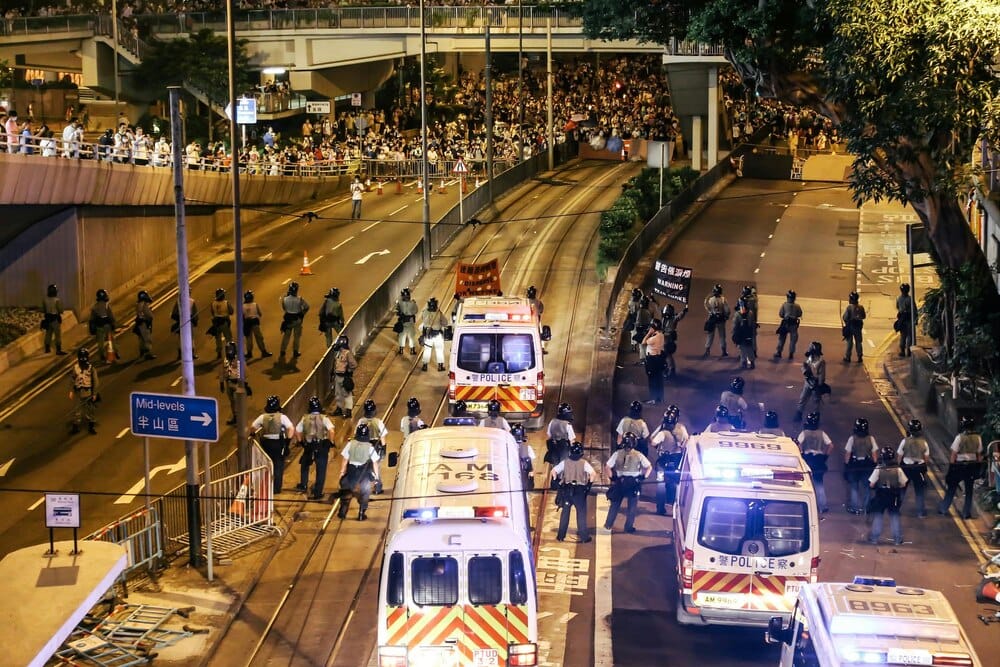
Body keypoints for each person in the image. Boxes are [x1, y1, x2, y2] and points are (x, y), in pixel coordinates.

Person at [603, 433, 651, 534]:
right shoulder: (639, 455)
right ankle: (628, 527)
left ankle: (608, 524)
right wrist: (643, 477)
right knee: (632, 507)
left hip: (620, 482)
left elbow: (607, 466)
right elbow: (649, 467)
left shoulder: (617, 453)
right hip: (634, 483)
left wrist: (613, 477)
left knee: (615, 505)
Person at [937, 416, 983, 520]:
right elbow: (979, 454)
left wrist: (951, 467)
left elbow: (954, 454)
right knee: (969, 490)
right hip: (971, 466)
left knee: (952, 488)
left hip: (958, 466)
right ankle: (966, 513)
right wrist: (978, 467)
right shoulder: (978, 437)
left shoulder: (959, 437)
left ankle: (943, 508)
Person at [551, 442, 596, 542]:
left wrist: (556, 480)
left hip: (567, 490)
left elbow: (554, 471)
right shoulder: (584, 463)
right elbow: (593, 473)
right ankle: (584, 537)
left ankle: (561, 536)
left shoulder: (565, 462)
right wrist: (589, 484)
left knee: (565, 513)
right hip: (579, 491)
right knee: (581, 514)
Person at [251, 395, 296, 494]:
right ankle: (276, 489)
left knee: (266, 465)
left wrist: (253, 434)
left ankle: (265, 487)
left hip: (266, 444)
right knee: (278, 466)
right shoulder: (282, 417)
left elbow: (253, 426)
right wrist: (287, 441)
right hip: (278, 444)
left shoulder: (262, 417)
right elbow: (291, 428)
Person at [295, 396, 335, 500]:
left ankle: (303, 484)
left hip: (309, 446)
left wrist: (300, 442)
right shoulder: (324, 418)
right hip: (321, 446)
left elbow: (297, 431)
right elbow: (331, 431)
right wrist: (330, 442)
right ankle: (318, 492)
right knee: (321, 469)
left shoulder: (304, 418)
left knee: (304, 464)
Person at [338, 422, 381, 521]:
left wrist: (342, 473)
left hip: (351, 471)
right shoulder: (370, 448)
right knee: (365, 493)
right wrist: (377, 477)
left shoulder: (350, 445)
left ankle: (342, 512)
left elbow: (345, 460)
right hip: (364, 473)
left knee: (345, 491)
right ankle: (361, 513)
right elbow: (375, 463)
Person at [651, 406, 687, 514]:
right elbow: (687, 440)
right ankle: (674, 507)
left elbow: (653, 442)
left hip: (663, 461)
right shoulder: (681, 428)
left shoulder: (663, 432)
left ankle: (660, 508)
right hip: (676, 460)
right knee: (675, 484)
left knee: (661, 484)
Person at [868, 447, 908, 545]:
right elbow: (903, 483)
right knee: (894, 516)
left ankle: (874, 538)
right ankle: (897, 539)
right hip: (893, 495)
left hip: (881, 494)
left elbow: (871, 484)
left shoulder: (879, 468)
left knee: (878, 516)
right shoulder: (898, 469)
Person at [797, 412, 833, 513]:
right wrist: (825, 456)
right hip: (819, 459)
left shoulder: (804, 433)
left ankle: (806, 504)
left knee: (806, 481)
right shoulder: (822, 433)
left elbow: (798, 443)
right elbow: (831, 445)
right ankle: (823, 506)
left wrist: (801, 453)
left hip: (808, 459)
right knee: (819, 483)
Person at [844, 417, 878, 515]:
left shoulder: (852, 439)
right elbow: (874, 453)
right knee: (867, 487)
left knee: (854, 487)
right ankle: (866, 508)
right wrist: (875, 464)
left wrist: (846, 465)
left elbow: (848, 453)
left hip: (854, 465)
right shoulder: (871, 439)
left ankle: (855, 508)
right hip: (867, 465)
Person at [897, 419, 930, 518]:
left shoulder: (904, 441)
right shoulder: (924, 443)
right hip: (919, 468)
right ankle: (920, 512)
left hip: (906, 468)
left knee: (902, 489)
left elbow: (899, 455)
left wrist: (899, 467)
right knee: (919, 491)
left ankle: (896, 509)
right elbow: (926, 458)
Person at [68, 348, 99, 435]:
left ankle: (91, 427)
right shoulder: (75, 368)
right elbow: (72, 379)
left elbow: (95, 381)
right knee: (77, 411)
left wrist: (94, 393)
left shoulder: (91, 368)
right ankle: (75, 427)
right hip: (78, 392)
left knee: (90, 410)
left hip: (88, 392)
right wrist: (71, 391)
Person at [794, 341, 827, 421]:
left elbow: (821, 375)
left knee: (816, 401)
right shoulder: (810, 358)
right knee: (803, 398)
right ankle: (798, 415)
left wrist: (819, 385)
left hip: (815, 383)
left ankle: (815, 417)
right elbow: (804, 367)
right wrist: (805, 371)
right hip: (808, 381)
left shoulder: (821, 361)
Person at [279, 281, 309, 363]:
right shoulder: (299, 299)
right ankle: (295, 351)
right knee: (296, 337)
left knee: (286, 336)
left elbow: (284, 308)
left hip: (288, 320)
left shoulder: (284, 299)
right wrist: (302, 313)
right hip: (297, 320)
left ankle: (282, 351)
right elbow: (307, 307)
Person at [330, 334, 358, 417]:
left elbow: (354, 364)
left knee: (347, 394)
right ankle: (339, 409)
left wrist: (348, 371)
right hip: (337, 376)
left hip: (344, 377)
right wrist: (332, 373)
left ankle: (348, 411)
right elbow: (335, 363)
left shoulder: (347, 353)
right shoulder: (338, 352)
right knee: (338, 393)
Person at [89, 288, 119, 362]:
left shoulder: (94, 307)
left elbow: (92, 319)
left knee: (100, 342)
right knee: (111, 340)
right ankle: (116, 353)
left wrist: (92, 328)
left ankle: (102, 356)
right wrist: (114, 324)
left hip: (99, 327)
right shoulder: (106, 305)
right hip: (107, 325)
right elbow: (111, 316)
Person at [419, 297, 449, 372]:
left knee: (427, 350)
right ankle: (440, 366)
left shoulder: (424, 312)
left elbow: (423, 320)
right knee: (439, 350)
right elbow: (445, 323)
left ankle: (425, 365)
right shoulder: (438, 313)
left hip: (428, 335)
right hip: (437, 335)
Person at [242, 290, 272, 359]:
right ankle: (263, 351)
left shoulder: (242, 306)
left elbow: (242, 316)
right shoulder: (255, 304)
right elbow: (260, 314)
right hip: (254, 323)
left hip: (247, 323)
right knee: (259, 338)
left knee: (248, 339)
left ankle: (249, 353)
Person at [641, 319, 666, 404]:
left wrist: (649, 333)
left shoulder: (654, 338)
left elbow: (643, 342)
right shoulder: (661, 335)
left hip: (652, 360)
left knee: (652, 380)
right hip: (659, 359)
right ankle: (659, 398)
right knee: (659, 380)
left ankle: (653, 399)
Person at [703, 283, 730, 358]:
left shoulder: (711, 299)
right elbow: (727, 310)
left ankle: (707, 350)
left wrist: (711, 312)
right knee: (722, 336)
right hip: (721, 319)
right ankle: (724, 351)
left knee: (710, 335)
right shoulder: (723, 299)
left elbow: (706, 306)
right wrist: (726, 316)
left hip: (712, 318)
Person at [660, 303, 687, 378]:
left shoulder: (673, 319)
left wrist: (684, 311)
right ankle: (667, 369)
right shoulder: (663, 319)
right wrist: (654, 300)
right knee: (663, 355)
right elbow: (658, 309)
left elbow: (679, 316)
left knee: (667, 354)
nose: (667, 314)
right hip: (663, 339)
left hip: (669, 340)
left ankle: (671, 370)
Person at [774, 290, 802, 360]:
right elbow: (799, 314)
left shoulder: (784, 305)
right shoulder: (797, 306)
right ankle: (791, 353)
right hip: (793, 324)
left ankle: (779, 352)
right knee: (793, 340)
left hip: (786, 323)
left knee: (782, 339)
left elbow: (781, 314)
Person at [170, 292, 199, 360]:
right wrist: (195, 322)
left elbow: (174, 314)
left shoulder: (178, 302)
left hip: (181, 322)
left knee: (181, 338)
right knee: (190, 338)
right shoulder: (192, 301)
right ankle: (191, 354)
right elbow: (195, 314)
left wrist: (179, 319)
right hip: (189, 323)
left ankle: (180, 355)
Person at [218, 341, 241, 425]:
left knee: (236, 401)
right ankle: (235, 417)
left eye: (230, 349)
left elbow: (245, 373)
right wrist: (221, 383)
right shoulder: (225, 361)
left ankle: (239, 418)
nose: (229, 351)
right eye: (228, 349)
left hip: (237, 384)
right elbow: (222, 372)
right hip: (228, 384)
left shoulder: (239, 360)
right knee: (232, 402)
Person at [208, 288, 234, 360]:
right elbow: (231, 311)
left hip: (216, 322)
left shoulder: (213, 303)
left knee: (218, 339)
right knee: (228, 338)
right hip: (224, 322)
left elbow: (212, 313)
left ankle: (219, 353)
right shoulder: (226, 303)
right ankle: (230, 352)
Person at [842, 291, 866, 363]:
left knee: (849, 342)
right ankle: (859, 356)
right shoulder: (861, 307)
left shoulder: (849, 307)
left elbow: (845, 317)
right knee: (859, 342)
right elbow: (864, 316)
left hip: (850, 327)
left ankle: (848, 357)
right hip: (858, 327)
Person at [42, 284, 65, 355]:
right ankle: (58, 350)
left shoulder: (45, 300)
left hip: (48, 318)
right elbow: (60, 310)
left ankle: (47, 348)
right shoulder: (57, 300)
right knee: (57, 335)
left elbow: (44, 309)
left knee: (48, 334)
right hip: (55, 319)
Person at [394, 288, 418, 355]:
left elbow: (396, 310)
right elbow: (416, 310)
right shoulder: (412, 303)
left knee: (402, 336)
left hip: (403, 322)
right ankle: (412, 350)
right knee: (411, 336)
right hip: (410, 322)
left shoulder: (400, 302)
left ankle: (401, 350)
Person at [732, 302, 755, 369]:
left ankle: (744, 363)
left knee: (742, 349)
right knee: (749, 347)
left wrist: (734, 334)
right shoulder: (750, 313)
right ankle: (752, 363)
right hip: (749, 333)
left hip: (741, 334)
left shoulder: (737, 314)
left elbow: (735, 326)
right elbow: (752, 324)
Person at [133, 290, 155, 361]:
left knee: (141, 339)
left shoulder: (139, 304)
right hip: (144, 323)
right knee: (147, 338)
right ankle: (147, 353)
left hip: (141, 323)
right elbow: (146, 314)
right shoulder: (143, 305)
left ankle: (142, 352)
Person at [895, 283, 913, 357]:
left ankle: (902, 351)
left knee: (903, 335)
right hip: (908, 319)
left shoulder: (899, 298)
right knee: (909, 335)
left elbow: (897, 307)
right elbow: (914, 309)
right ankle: (908, 350)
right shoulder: (910, 299)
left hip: (902, 319)